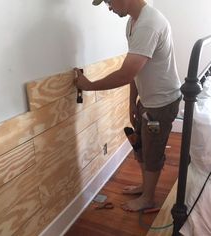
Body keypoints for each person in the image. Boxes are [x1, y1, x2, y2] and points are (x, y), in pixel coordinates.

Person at [74, 0, 181, 212]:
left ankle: (148, 199)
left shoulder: (149, 24)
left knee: (152, 151)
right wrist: (133, 101)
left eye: (108, 1)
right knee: (140, 145)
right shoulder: (132, 22)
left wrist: (89, 85)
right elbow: (137, 69)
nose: (109, 7)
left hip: (161, 103)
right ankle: (145, 188)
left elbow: (126, 73)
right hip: (147, 101)